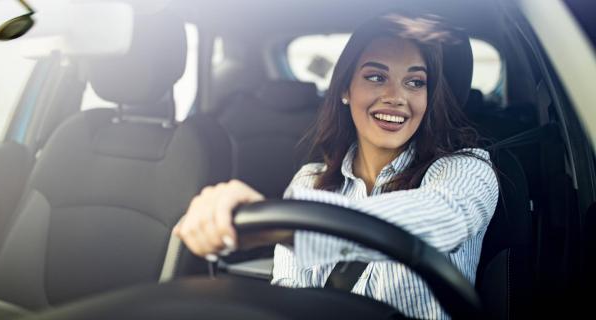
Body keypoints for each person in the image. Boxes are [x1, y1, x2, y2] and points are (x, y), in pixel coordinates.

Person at [172, 13, 498, 319]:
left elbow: (444, 218)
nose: (396, 97)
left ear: (429, 98)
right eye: (375, 76)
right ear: (345, 89)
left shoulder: (467, 170)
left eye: (415, 83)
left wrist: (290, 227)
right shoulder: (310, 181)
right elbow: (290, 293)